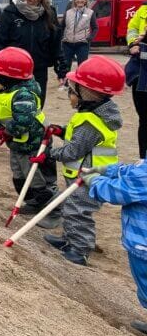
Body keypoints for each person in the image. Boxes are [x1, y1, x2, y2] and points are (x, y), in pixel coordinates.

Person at [39, 56, 123, 266]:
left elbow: (73, 151)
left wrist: (50, 154)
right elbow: (77, 138)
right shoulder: (90, 115)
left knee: (79, 211)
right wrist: (61, 131)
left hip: (88, 177)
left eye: (73, 91)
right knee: (70, 206)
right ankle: (69, 239)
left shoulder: (91, 123)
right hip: (80, 174)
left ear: (88, 94)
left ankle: (80, 249)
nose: (70, 95)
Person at [0, 47, 60, 225]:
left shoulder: (24, 95)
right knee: (18, 173)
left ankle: (49, 207)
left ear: (6, 78)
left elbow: (24, 120)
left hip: (34, 143)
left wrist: (8, 131)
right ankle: (31, 201)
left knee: (34, 175)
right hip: (16, 143)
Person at [86, 160, 147, 335]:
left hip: (142, 245)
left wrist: (94, 181)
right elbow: (132, 170)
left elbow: (116, 191)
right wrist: (107, 169)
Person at [0, 0, 67, 107]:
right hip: (13, 70)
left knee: (36, 105)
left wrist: (61, 69)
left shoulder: (49, 14)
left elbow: (55, 44)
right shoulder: (10, 13)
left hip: (39, 69)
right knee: (13, 107)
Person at [126, 2, 147, 158]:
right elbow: (132, 28)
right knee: (144, 119)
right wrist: (133, 43)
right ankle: (143, 160)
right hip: (141, 71)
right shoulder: (143, 9)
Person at [60, 0, 98, 70]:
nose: (79, 1)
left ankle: (80, 82)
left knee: (82, 66)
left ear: (85, 1)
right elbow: (62, 26)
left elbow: (95, 28)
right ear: (75, 1)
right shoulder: (68, 12)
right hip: (67, 44)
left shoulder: (90, 13)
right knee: (65, 66)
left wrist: (89, 38)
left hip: (82, 44)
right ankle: (65, 81)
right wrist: (61, 37)